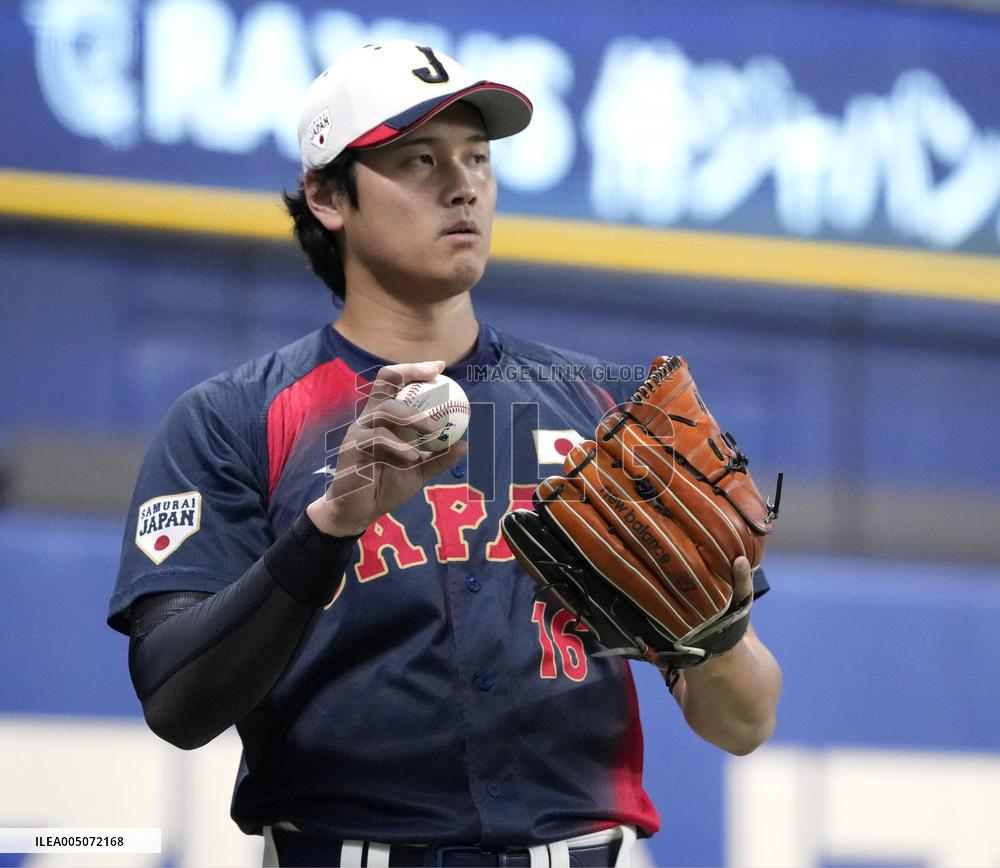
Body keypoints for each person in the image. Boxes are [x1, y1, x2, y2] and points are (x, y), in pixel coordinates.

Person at [108, 40, 781, 868]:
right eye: (419, 159)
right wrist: (327, 527)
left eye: (477, 157)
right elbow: (178, 702)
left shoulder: (602, 411)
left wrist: (713, 638)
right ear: (326, 195)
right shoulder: (236, 418)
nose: (463, 185)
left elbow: (744, 723)